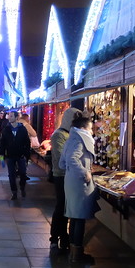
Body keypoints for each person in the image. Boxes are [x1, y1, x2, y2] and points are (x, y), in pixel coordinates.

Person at [60, 115, 98, 264]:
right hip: (79, 183)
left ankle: (74, 251)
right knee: (79, 217)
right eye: (90, 128)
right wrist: (85, 172)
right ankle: (77, 254)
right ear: (83, 128)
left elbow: (63, 162)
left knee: (75, 216)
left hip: (72, 180)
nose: (91, 131)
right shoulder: (79, 139)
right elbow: (72, 159)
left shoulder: (71, 138)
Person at [48, 108, 82, 254]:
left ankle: (63, 237)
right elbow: (63, 157)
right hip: (61, 175)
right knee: (61, 206)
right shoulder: (59, 135)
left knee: (66, 207)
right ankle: (55, 238)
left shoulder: (70, 134)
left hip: (70, 176)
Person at [0, 111, 31, 200]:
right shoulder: (6, 129)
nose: (9, 117)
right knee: (11, 174)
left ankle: (22, 187)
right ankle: (14, 192)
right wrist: (1, 154)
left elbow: (27, 142)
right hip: (10, 155)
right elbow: (2, 142)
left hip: (21, 155)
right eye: (9, 116)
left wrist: (27, 154)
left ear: (16, 118)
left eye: (11, 116)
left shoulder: (22, 129)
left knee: (23, 173)